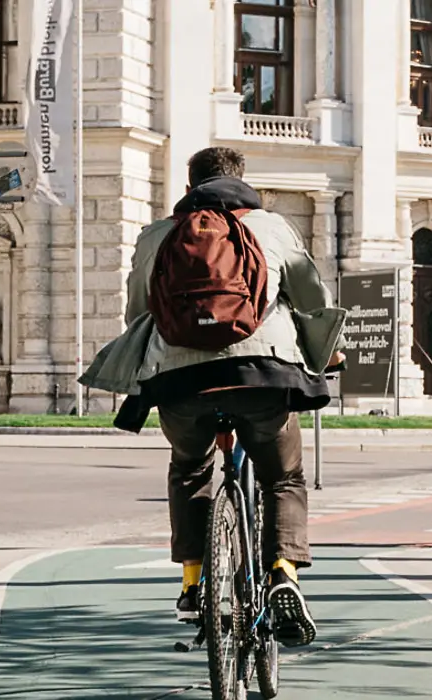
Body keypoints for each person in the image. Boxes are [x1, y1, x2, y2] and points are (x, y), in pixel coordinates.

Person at [84, 147, 338, 648]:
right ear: (242, 179)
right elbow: (313, 301)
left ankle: (193, 581)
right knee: (282, 475)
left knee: (189, 468)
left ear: (189, 184)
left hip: (179, 380)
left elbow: (139, 309)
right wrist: (330, 355)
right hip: (263, 374)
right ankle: (284, 570)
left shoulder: (158, 236)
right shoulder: (272, 227)